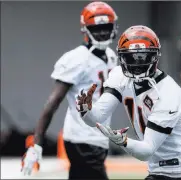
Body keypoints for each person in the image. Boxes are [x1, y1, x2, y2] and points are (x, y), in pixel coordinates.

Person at [76, 25, 181, 180]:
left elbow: (146, 151)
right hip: (158, 169)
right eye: (131, 57)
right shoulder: (120, 76)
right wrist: (85, 110)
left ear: (155, 57)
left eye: (143, 57)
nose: (137, 64)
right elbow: (96, 118)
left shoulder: (169, 93)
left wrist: (122, 141)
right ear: (122, 58)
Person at [21, 2, 118, 180]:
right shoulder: (77, 59)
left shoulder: (112, 56)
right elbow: (53, 102)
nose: (103, 33)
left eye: (106, 27)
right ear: (85, 29)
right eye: (97, 28)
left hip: (97, 137)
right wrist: (36, 144)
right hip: (82, 138)